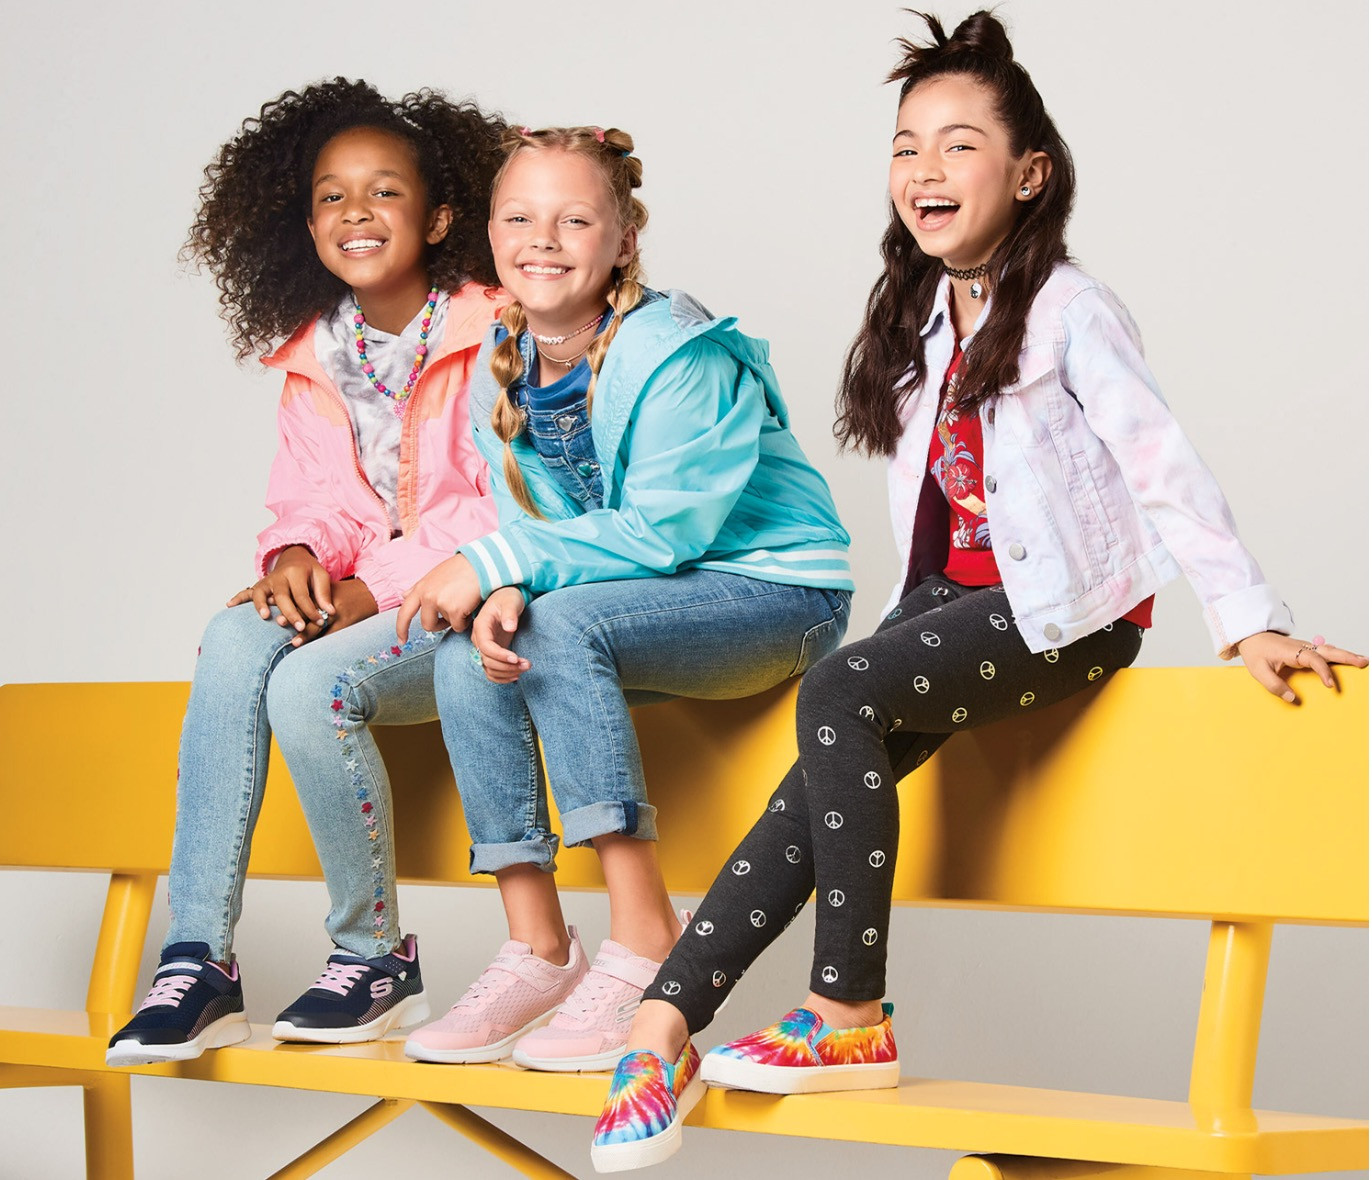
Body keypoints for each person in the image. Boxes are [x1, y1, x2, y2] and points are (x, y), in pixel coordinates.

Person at [587, 12, 1368, 1172]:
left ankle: (849, 1013)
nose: (925, 170)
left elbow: (1160, 463)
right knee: (815, 771)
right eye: (906, 146)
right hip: (955, 602)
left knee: (837, 692)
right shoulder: (922, 313)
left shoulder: (1070, 310)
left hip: (1066, 612)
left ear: (1028, 173)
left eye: (959, 145)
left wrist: (1247, 618)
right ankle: (661, 1027)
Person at [393, 125, 854, 1076]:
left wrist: (500, 561)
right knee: (472, 648)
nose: (542, 239)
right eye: (518, 218)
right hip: (639, 603)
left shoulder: (681, 354)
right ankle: (538, 944)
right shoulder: (501, 360)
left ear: (623, 239)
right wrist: (504, 583)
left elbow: (665, 532)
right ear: (490, 233)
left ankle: (647, 934)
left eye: (574, 219)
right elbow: (538, 519)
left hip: (776, 593)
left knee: (553, 628)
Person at [106, 79, 508, 1067]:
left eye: (384, 192)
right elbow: (319, 499)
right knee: (235, 629)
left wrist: (370, 588)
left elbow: (500, 505)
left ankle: (374, 956)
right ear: (307, 223)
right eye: (333, 196)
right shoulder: (316, 356)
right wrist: (294, 557)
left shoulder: (498, 329)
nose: (356, 212)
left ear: (440, 218)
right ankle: (198, 958)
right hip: (376, 598)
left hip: (482, 599)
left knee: (305, 683)